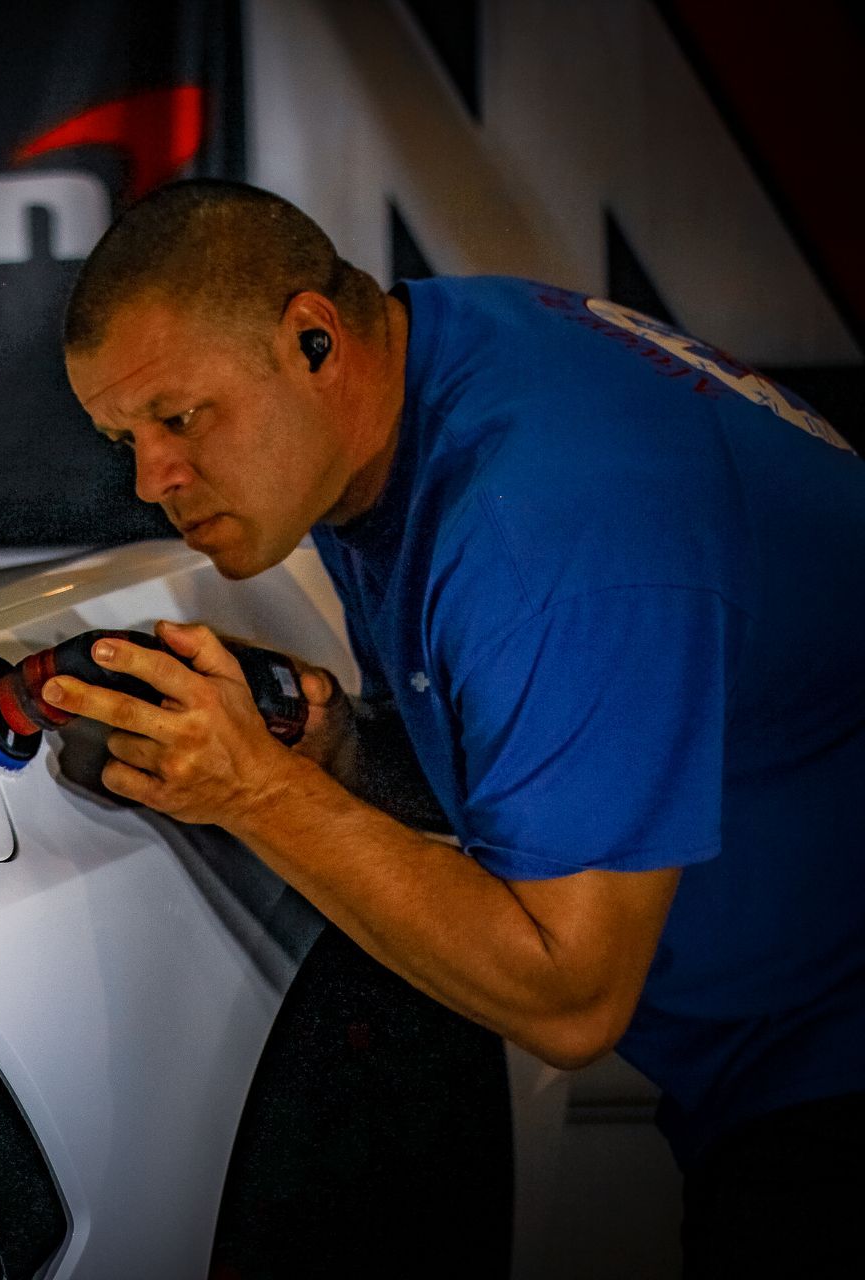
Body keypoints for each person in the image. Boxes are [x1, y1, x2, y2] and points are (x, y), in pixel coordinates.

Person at [47, 179, 865, 1275]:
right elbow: (541, 769)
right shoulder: (418, 381)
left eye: (181, 417)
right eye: (124, 437)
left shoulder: (543, 526)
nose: (155, 478)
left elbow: (571, 994)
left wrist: (256, 791)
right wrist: (339, 756)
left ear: (311, 339)